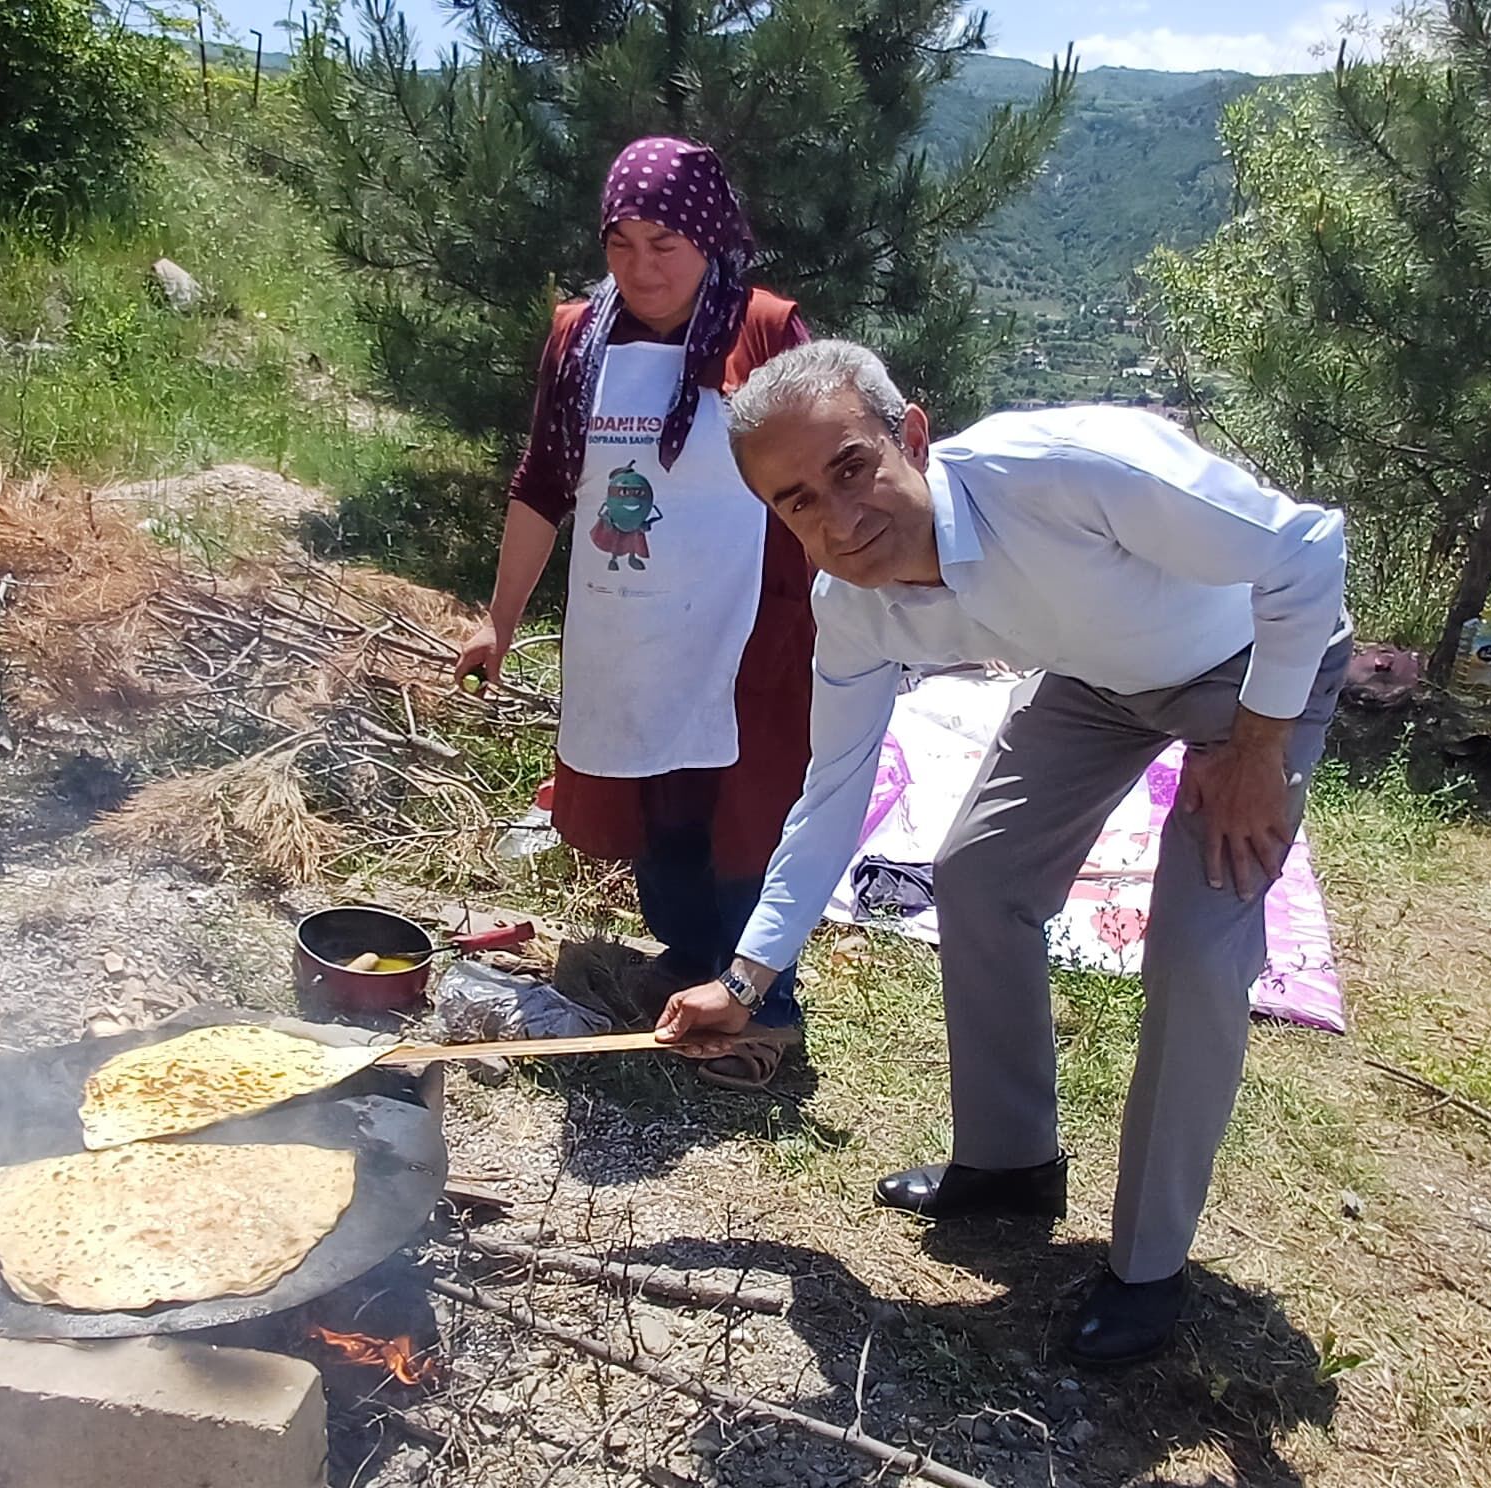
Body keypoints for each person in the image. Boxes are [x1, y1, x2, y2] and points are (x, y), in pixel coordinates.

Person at [650, 340, 1353, 1366]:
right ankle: (1011, 1163)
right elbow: (832, 789)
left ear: (914, 436)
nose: (840, 521)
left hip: (1250, 666)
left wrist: (1260, 739)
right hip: (1089, 675)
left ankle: (1147, 1271)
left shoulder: (1070, 471)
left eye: (852, 467)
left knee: (1200, 953)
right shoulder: (852, 607)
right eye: (799, 502)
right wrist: (748, 976)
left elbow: (1307, 549)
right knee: (980, 876)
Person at [453, 137, 817, 1087]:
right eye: (620, 242)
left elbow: (825, 468)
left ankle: (764, 1006)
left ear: (709, 238)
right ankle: (692, 962)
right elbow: (544, 482)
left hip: (750, 626)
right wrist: (500, 616)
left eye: (665, 243)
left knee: (745, 809)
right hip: (625, 615)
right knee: (658, 801)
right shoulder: (583, 335)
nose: (641, 267)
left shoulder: (765, 333)